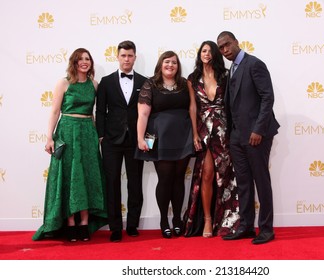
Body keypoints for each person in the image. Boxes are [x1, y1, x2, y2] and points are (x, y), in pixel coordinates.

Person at [33, 48, 107, 242]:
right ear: (74, 62)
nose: (85, 62)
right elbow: (55, 111)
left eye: (88, 59)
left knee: (86, 177)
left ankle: (84, 223)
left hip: (87, 133)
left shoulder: (94, 84)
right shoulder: (64, 83)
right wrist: (49, 137)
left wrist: (100, 135)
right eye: (80, 59)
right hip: (66, 131)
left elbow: (98, 113)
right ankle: (70, 223)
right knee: (69, 177)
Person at [217, 31, 280, 245]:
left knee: (261, 181)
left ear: (236, 42)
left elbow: (267, 97)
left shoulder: (254, 64)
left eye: (227, 44)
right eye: (221, 47)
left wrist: (259, 130)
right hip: (236, 136)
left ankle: (266, 229)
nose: (225, 50)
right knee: (243, 183)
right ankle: (245, 226)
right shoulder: (231, 70)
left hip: (256, 136)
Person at [184, 41, 240, 238]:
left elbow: (232, 104)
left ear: (216, 54)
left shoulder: (225, 76)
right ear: (200, 54)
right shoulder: (192, 78)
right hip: (203, 129)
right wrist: (194, 134)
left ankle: (226, 218)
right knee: (206, 173)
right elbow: (192, 107)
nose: (207, 54)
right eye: (204, 50)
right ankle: (207, 219)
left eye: (210, 51)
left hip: (224, 131)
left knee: (225, 176)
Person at [135, 51, 193, 239]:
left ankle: (177, 219)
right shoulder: (150, 84)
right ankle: (163, 221)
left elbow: (192, 108)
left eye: (174, 62)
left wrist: (196, 135)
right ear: (161, 64)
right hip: (160, 138)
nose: (170, 65)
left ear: (178, 66)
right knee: (165, 179)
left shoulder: (185, 84)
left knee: (179, 179)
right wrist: (140, 138)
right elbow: (143, 114)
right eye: (167, 62)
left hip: (184, 136)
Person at [96, 40, 147, 242]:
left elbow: (148, 114)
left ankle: (132, 225)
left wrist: (147, 141)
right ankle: (115, 227)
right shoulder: (106, 81)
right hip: (111, 140)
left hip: (136, 140)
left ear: (135, 57)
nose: (127, 59)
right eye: (123, 55)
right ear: (117, 57)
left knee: (135, 183)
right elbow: (100, 111)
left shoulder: (145, 81)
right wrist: (101, 136)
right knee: (112, 183)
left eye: (130, 55)